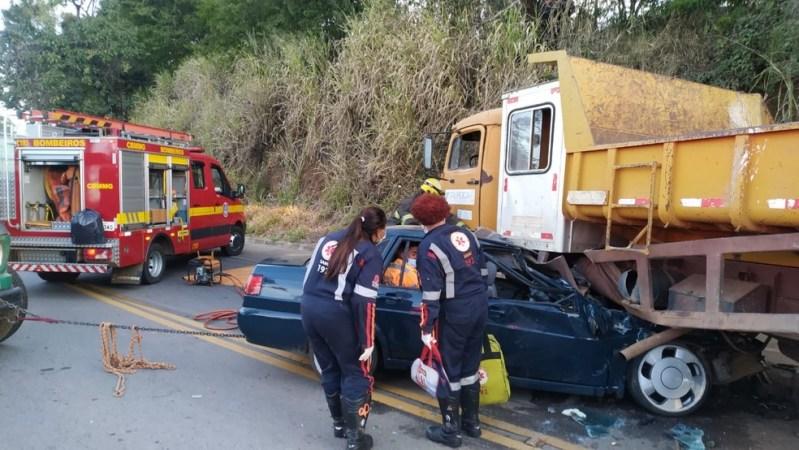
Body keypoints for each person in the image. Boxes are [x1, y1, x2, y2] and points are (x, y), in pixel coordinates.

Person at [301, 206, 387, 450]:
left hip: (308, 309)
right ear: (378, 231)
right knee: (356, 372)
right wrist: (368, 341)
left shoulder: (327, 238)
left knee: (329, 368)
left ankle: (339, 425)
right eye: (383, 230)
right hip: (335, 315)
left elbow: (308, 277)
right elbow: (364, 302)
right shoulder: (369, 253)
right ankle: (355, 438)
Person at [410, 194, 488, 448]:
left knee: (449, 370)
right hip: (479, 304)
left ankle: (450, 431)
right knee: (470, 365)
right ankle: (472, 424)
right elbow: (484, 271)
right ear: (445, 212)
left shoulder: (429, 246)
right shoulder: (468, 235)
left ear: (421, 220)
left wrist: (427, 327)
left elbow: (431, 294)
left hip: (455, 312)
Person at [388, 178, 465, 227]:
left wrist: (464, 229)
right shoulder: (408, 205)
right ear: (430, 192)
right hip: (397, 240)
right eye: (437, 196)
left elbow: (447, 217)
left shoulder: (429, 204)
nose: (438, 199)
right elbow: (412, 226)